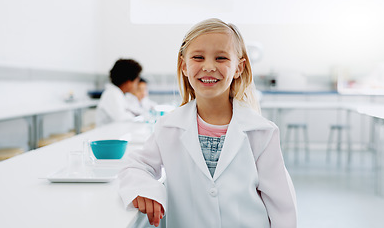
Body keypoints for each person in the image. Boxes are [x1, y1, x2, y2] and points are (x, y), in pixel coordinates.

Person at [118, 18, 297, 227]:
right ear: (184, 66)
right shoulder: (168, 128)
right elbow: (135, 166)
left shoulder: (262, 132)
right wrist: (146, 190)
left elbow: (281, 204)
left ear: (239, 68)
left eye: (221, 58)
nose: (209, 67)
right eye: (198, 57)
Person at [95, 59, 142, 126]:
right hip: (108, 134)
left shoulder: (120, 94)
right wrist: (133, 115)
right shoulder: (112, 94)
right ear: (128, 82)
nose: (137, 85)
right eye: (136, 82)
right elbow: (121, 119)